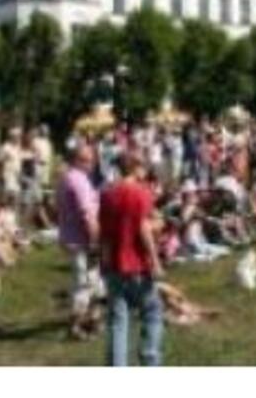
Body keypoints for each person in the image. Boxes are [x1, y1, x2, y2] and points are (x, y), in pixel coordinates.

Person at [99, 152, 165, 366]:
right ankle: (149, 361)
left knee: (118, 324)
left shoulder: (107, 194)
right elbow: (144, 228)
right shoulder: (142, 193)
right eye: (143, 166)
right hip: (138, 266)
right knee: (152, 313)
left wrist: (105, 262)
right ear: (136, 167)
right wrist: (155, 260)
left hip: (115, 265)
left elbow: (106, 234)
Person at [57, 143, 100, 340]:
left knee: (93, 282)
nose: (92, 163)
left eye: (92, 159)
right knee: (83, 284)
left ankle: (91, 320)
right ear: (78, 160)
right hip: (81, 240)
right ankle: (74, 327)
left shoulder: (66, 178)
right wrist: (94, 241)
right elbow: (87, 215)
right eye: (88, 159)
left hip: (71, 236)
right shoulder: (79, 180)